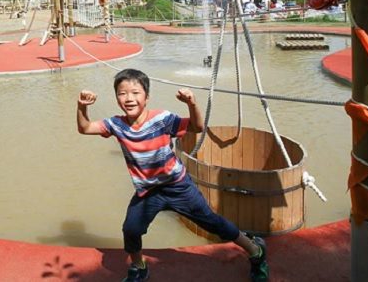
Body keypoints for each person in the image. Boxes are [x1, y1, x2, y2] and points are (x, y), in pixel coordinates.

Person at [76, 69, 268, 282]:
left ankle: (255, 251)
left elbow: (197, 127)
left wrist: (191, 103)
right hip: (148, 191)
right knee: (131, 229)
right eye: (122, 93)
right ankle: (139, 267)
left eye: (135, 92)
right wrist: (82, 106)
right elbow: (85, 128)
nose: (129, 98)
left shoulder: (162, 119)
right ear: (116, 98)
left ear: (146, 97)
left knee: (214, 223)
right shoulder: (117, 124)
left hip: (177, 186)